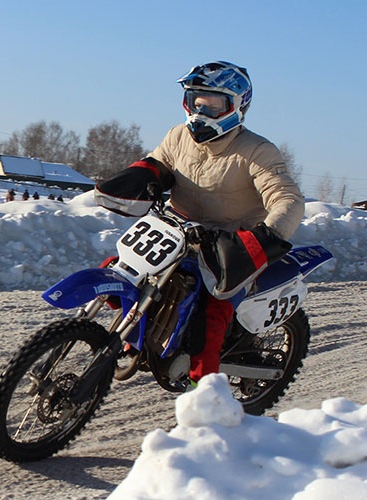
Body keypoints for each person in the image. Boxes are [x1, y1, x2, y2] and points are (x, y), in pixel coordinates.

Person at [97, 61, 304, 386]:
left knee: (210, 318)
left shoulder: (257, 151)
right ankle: (133, 337)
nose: (201, 112)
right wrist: (139, 176)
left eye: (214, 104)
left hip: (227, 250)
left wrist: (264, 237)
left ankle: (204, 398)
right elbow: (160, 163)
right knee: (118, 269)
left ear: (237, 106)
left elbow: (287, 199)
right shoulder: (179, 136)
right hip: (175, 233)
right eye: (196, 101)